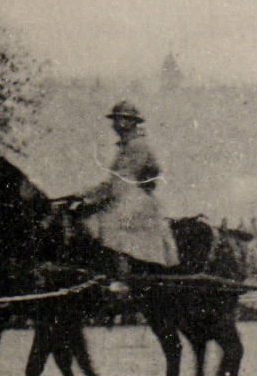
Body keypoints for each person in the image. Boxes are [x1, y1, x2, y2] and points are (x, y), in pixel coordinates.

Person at [76, 101, 180, 270]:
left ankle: (120, 275)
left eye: (121, 119)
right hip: (125, 195)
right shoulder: (127, 146)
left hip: (132, 198)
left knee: (107, 224)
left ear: (132, 122)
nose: (115, 124)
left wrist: (89, 195)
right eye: (115, 119)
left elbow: (122, 180)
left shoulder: (137, 146)